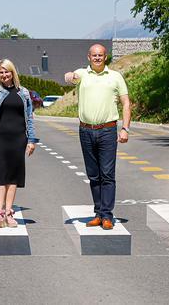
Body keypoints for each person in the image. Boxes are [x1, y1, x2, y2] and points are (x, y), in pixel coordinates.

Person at [64, 44, 131, 230]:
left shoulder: (115, 77)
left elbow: (126, 103)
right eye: (94, 55)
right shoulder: (82, 74)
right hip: (85, 130)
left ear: (105, 57)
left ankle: (107, 215)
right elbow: (71, 77)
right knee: (93, 174)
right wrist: (69, 76)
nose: (97, 58)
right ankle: (98, 213)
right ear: (89, 57)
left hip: (107, 130)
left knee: (107, 174)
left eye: (100, 55)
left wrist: (125, 128)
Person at [0, 54, 37, 229]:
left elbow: (29, 117)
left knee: (13, 176)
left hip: (18, 139)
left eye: (7, 72)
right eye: (1, 72)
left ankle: (9, 212)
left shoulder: (23, 92)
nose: (4, 75)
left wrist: (31, 140)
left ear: (13, 73)